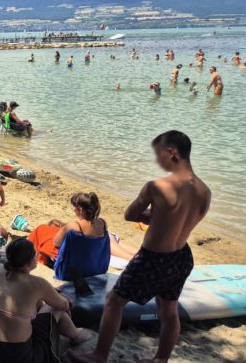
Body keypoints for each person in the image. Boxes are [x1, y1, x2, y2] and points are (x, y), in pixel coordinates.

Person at [73, 131, 210, 363]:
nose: (157, 161)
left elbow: (130, 215)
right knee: (169, 310)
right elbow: (183, 222)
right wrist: (159, 218)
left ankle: (99, 355)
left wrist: (149, 216)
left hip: (153, 258)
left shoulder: (156, 187)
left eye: (158, 155)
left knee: (114, 302)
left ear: (171, 152)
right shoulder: (205, 191)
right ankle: (160, 360)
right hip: (182, 256)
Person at [0, 239, 95, 363]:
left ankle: (73, 333)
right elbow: (63, 305)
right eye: (36, 255)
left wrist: (45, 294)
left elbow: (22, 293)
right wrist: (61, 298)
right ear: (29, 261)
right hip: (17, 357)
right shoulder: (37, 284)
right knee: (56, 308)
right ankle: (76, 335)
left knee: (37, 303)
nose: (37, 256)